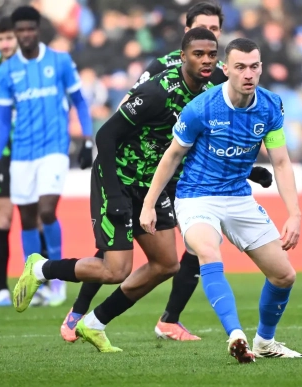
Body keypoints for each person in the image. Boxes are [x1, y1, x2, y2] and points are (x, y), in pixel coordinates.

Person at [60, 1, 273, 343]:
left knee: (189, 247)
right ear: (187, 33)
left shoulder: (220, 80)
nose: (208, 41)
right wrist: (114, 185)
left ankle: (168, 319)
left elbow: (212, 138)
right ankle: (79, 309)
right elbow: (121, 121)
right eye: (202, 31)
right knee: (118, 251)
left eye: (215, 32)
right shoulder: (160, 73)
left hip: (177, 176)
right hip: (139, 171)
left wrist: (249, 170)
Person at [12, 28, 219, 352]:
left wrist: (250, 169)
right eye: (199, 54)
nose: (206, 60)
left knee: (167, 264)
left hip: (151, 186)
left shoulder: (210, 94)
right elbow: (106, 135)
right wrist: (115, 193)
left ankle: (94, 323)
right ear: (183, 57)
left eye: (212, 54)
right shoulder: (157, 92)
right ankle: (40, 268)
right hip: (118, 178)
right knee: (115, 270)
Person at [139, 38, 302, 363]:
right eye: (240, 67)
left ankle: (265, 342)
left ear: (261, 68)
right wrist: (148, 204)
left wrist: (294, 213)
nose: (248, 74)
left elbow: (282, 162)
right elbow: (172, 156)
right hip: (196, 196)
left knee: (284, 275)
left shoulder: (271, 106)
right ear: (225, 69)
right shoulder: (202, 107)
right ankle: (235, 334)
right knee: (208, 252)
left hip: (239, 196)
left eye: (254, 66)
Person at [0, 6, 93, 308]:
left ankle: (57, 281)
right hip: (21, 154)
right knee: (26, 218)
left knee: (47, 211)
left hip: (54, 149)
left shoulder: (60, 61)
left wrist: (87, 138)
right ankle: (34, 283)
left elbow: (80, 101)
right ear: (16, 33)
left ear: (38, 30)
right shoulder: (7, 71)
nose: (25, 34)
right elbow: (2, 120)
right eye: (20, 30)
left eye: (30, 29)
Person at [0, 16, 48, 306]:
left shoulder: (34, 67)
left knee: (35, 217)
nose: (4, 44)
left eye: (8, 38)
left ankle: (44, 283)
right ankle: (2, 288)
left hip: (32, 151)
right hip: (3, 155)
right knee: (3, 217)